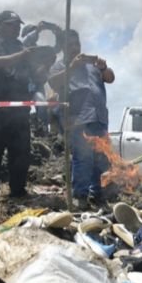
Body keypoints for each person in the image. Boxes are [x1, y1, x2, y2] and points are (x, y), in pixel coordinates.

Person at [48, 30, 115, 207]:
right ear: (63, 47)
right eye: (69, 45)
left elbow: (110, 78)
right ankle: (81, 196)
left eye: (76, 44)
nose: (74, 48)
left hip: (99, 117)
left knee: (101, 159)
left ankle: (97, 194)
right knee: (83, 158)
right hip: (78, 120)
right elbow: (53, 83)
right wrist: (71, 68)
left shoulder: (91, 64)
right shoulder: (60, 66)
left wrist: (103, 68)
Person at [0, 11, 49, 199]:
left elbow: (37, 77)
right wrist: (21, 56)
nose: (17, 28)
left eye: (18, 24)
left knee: (21, 154)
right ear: (0, 25)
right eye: (12, 24)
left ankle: (17, 191)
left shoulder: (20, 47)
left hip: (19, 112)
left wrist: (47, 64)